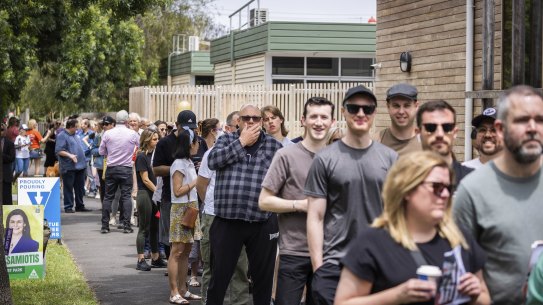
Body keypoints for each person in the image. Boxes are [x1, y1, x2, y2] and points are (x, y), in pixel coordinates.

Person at [335, 151, 490, 305]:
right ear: (407, 190)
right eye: (436, 187)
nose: (444, 194)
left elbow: (485, 298)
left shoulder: (459, 237)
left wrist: (474, 295)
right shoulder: (372, 243)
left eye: (448, 188)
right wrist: (395, 296)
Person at [304, 85, 397, 305]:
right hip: (335, 265)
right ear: (344, 112)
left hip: (378, 262)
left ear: (375, 113)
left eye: (368, 109)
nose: (361, 114)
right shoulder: (325, 159)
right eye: (354, 108)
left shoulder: (391, 158)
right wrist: (319, 269)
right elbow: (315, 217)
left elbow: (397, 215)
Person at [453, 85, 543, 305]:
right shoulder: (472, 191)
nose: (532, 128)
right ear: (501, 130)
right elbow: (462, 275)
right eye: (522, 120)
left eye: (540, 120)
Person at [259, 97, 336, 305]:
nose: (318, 122)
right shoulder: (286, 155)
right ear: (303, 120)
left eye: (324, 117)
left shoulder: (339, 158)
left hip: (330, 253)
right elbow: (264, 201)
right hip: (294, 252)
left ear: (333, 121)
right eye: (313, 116)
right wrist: (298, 205)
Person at [206, 104, 283, 305]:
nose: (250, 121)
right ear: (238, 121)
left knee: (262, 280)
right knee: (219, 277)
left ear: (262, 122)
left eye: (255, 118)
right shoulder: (226, 140)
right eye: (246, 118)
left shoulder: (274, 146)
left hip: (262, 221)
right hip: (227, 221)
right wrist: (241, 142)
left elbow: (284, 180)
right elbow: (213, 162)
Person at [196, 118, 250, 304]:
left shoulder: (249, 154)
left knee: (240, 267)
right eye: (239, 127)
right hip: (213, 215)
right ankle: (207, 301)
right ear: (230, 129)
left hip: (238, 217)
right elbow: (201, 185)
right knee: (212, 265)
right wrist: (212, 206)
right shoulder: (212, 154)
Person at [153, 110, 199, 260]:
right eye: (185, 127)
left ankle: (181, 276)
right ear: (177, 125)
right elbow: (156, 169)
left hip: (191, 200)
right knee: (173, 243)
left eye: (191, 128)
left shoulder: (196, 141)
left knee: (187, 244)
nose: (188, 131)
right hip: (170, 198)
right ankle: (172, 272)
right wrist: (178, 169)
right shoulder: (165, 143)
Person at [168, 128, 202, 304]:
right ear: (190, 144)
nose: (198, 145)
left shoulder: (187, 162)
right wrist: (196, 182)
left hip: (191, 207)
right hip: (181, 208)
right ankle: (174, 291)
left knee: (186, 250)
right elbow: (177, 190)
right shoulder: (179, 164)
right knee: (177, 251)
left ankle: (183, 289)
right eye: (197, 142)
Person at [99, 110, 139, 233]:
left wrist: (110, 152)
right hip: (126, 168)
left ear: (116, 120)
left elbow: (101, 152)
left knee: (108, 197)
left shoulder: (107, 134)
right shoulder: (133, 134)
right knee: (126, 196)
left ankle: (105, 225)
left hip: (112, 167)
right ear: (127, 120)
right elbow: (139, 147)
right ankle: (126, 225)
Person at [416, 100, 473, 185]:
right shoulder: (404, 180)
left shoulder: (473, 179)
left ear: (455, 132)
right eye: (430, 127)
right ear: (418, 133)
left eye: (447, 127)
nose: (440, 134)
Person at [134, 129, 167, 271]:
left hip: (154, 195)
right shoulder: (141, 156)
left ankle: (155, 257)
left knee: (155, 228)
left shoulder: (156, 156)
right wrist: (158, 192)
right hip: (145, 194)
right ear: (147, 140)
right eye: (154, 139)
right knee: (144, 228)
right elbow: (145, 180)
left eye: (157, 138)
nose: (157, 141)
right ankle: (141, 259)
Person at [55, 118, 91, 213]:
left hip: (80, 166)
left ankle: (80, 205)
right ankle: (68, 206)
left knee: (79, 187)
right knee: (68, 187)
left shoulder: (75, 135)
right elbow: (59, 151)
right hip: (69, 166)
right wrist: (70, 155)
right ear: (70, 127)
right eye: (76, 127)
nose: (77, 129)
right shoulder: (62, 136)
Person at [376, 83, 422, 155]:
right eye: (396, 106)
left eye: (407, 106)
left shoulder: (427, 142)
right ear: (388, 107)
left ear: (416, 106)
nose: (401, 112)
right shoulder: (376, 142)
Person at [1, 130, 15, 205]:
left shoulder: (10, 143)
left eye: (2, 130)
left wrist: (2, 155)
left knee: (6, 198)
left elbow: (12, 158)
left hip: (6, 175)